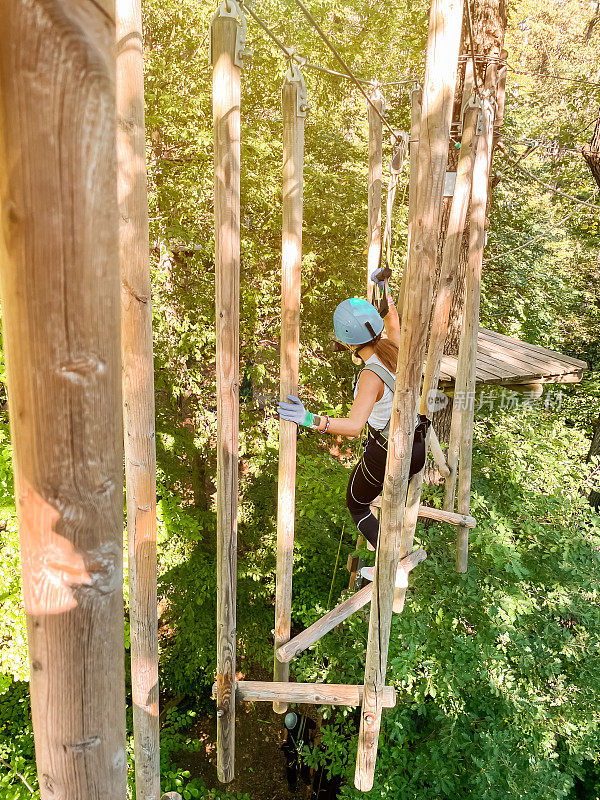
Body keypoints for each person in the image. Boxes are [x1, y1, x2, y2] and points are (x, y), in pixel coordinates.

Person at [278, 272, 429, 548]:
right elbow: (391, 317)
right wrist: (384, 288)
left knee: (357, 504)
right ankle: (384, 542)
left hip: (389, 453)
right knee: (378, 495)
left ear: (349, 343)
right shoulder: (395, 346)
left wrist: (308, 418)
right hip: (418, 447)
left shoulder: (370, 376)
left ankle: (389, 562)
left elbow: (353, 427)